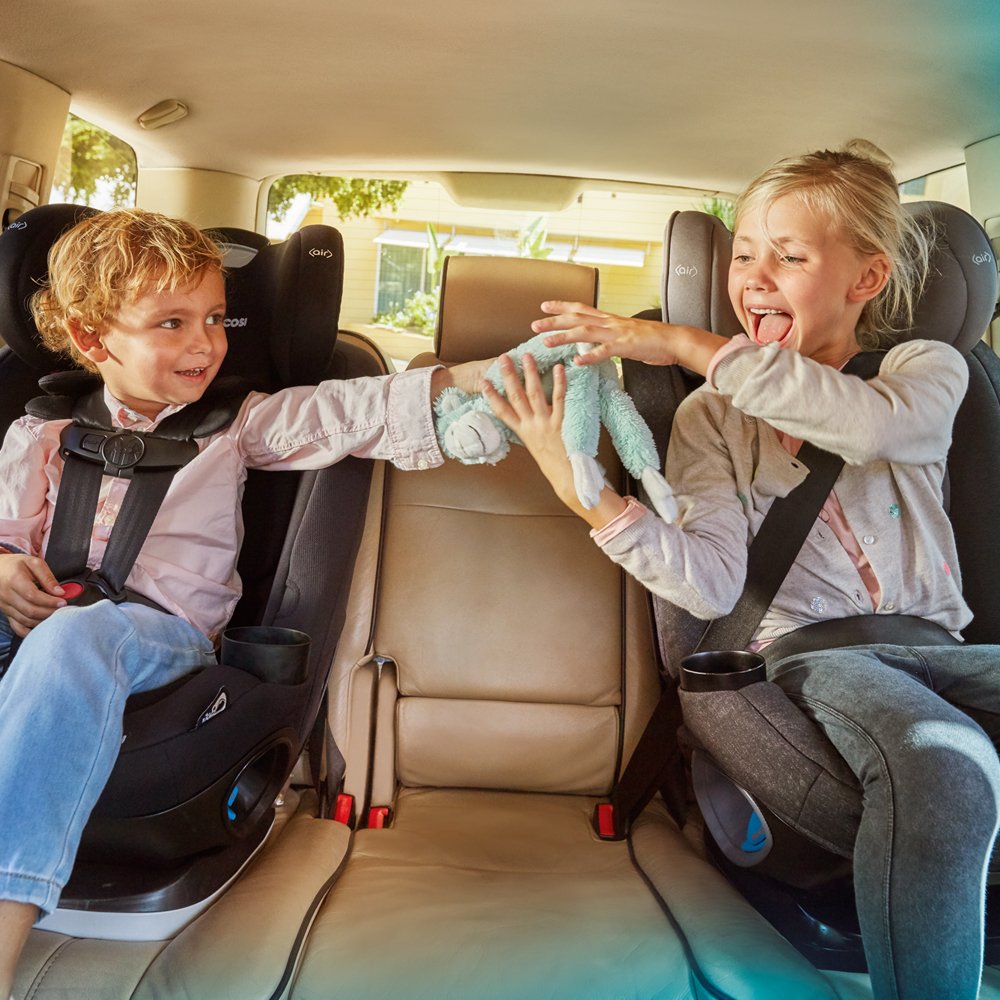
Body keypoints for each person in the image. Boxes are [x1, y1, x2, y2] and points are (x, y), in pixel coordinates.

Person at [483, 140, 1000, 999]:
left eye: (789, 257)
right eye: (744, 256)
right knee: (942, 760)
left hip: (944, 646)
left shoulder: (923, 371)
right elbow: (712, 586)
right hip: (821, 655)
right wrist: (593, 501)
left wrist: (687, 344)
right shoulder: (711, 419)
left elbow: (873, 431)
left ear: (867, 278)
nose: (755, 280)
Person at [0, 208, 486, 998]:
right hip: (43, 620)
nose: (206, 343)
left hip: (159, 637)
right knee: (55, 635)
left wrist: (482, 378)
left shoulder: (238, 424)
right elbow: (7, 536)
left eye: (216, 318)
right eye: (172, 323)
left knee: (76, 640)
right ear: (91, 338)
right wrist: (5, 573)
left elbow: (355, 412)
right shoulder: (40, 434)